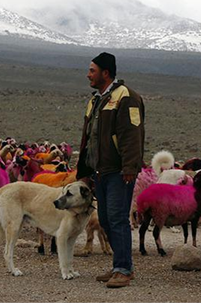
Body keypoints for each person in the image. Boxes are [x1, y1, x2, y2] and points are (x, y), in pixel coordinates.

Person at [76, 52, 145, 288]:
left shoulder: (126, 98)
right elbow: (88, 137)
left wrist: (129, 167)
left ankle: (123, 269)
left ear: (106, 73)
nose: (88, 75)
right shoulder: (95, 101)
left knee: (117, 218)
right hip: (100, 170)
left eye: (92, 71)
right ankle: (121, 265)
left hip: (118, 170)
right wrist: (84, 169)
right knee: (105, 219)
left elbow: (131, 135)